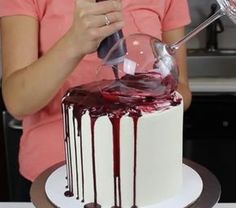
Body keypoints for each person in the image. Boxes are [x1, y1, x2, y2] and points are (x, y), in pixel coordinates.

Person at [0, 0, 192, 183]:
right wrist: (74, 43)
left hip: (145, 170)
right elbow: (18, 102)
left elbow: (182, 90)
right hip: (55, 175)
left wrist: (141, 97)